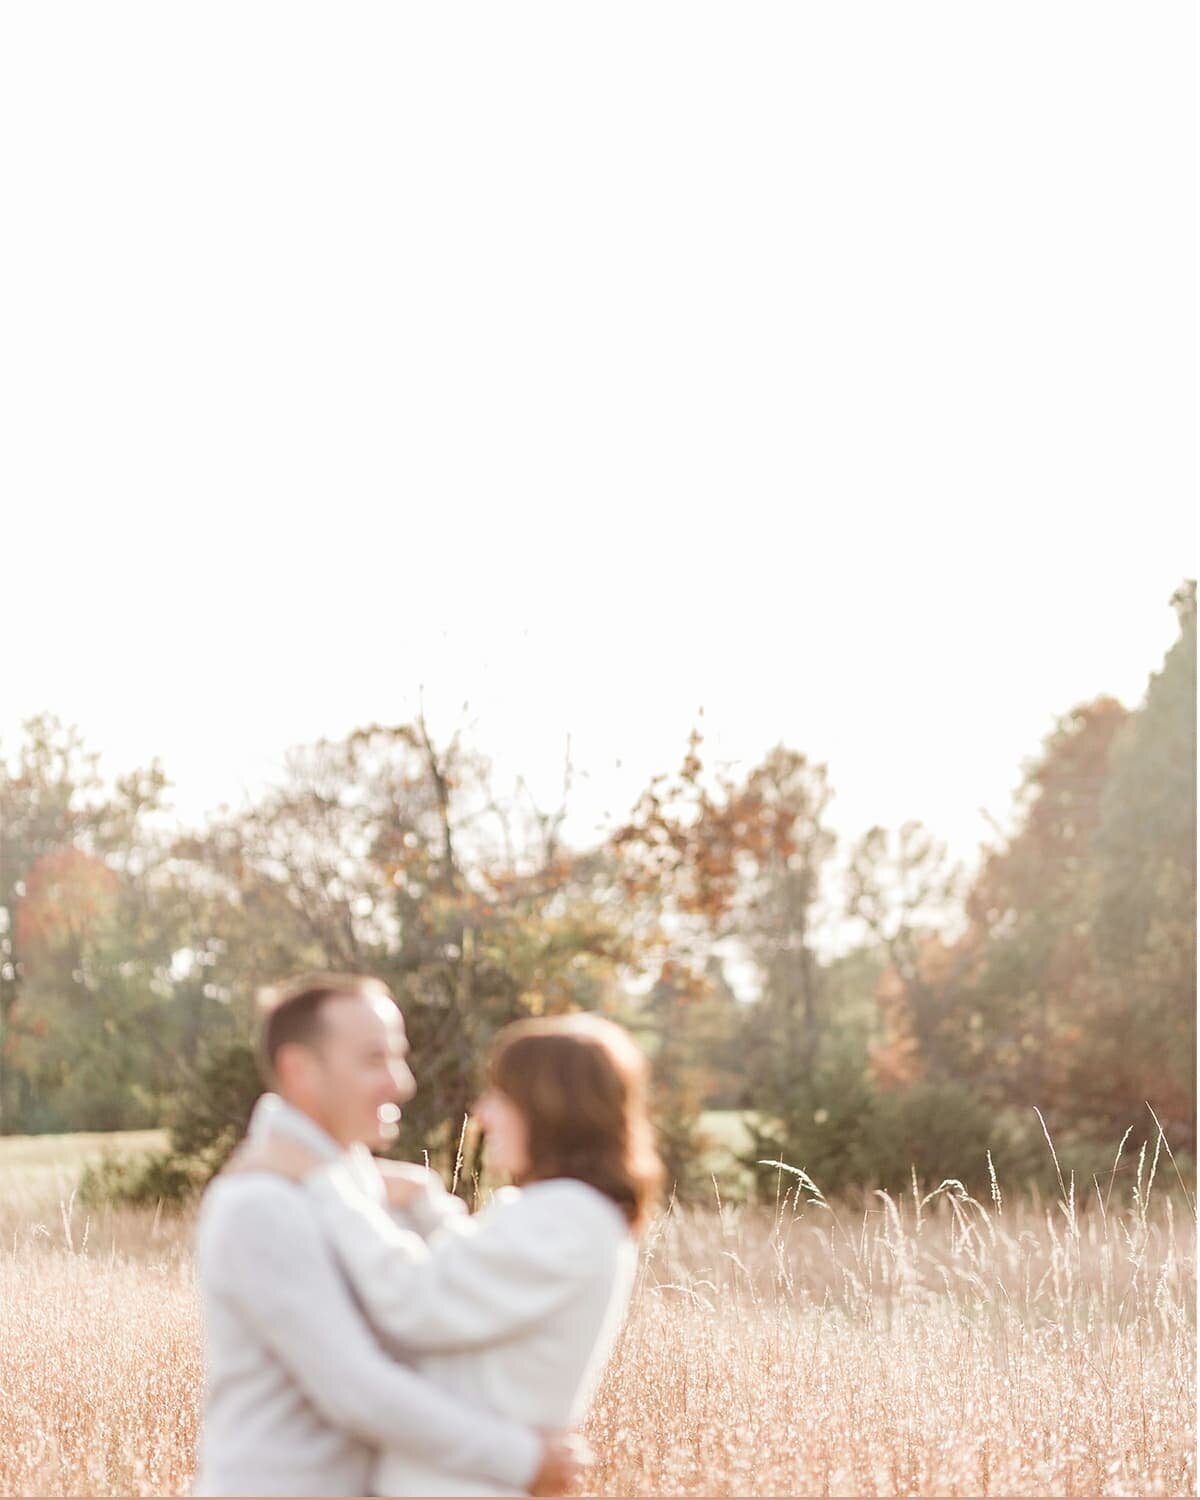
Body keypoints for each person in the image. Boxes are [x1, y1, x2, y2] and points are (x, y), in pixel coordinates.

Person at [232, 1009, 664, 1497]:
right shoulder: (559, 1214)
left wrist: (326, 1182)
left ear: (550, 1110)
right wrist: (423, 1197)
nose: (484, 1113)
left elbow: (415, 1298)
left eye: (502, 1097)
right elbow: (473, 1272)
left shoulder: (568, 1218)